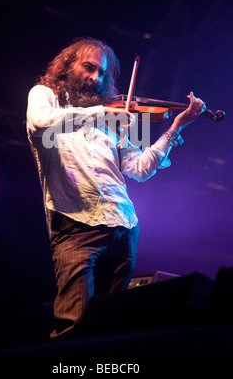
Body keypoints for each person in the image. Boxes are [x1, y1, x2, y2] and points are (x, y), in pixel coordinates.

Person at [26, 36, 206, 340]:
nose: (95, 77)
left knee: (110, 329)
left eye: (102, 73)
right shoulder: (45, 96)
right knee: (73, 327)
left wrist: (175, 129)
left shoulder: (112, 117)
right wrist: (103, 113)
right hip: (75, 227)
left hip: (124, 226)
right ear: (68, 65)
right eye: (89, 67)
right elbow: (41, 124)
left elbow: (138, 169)